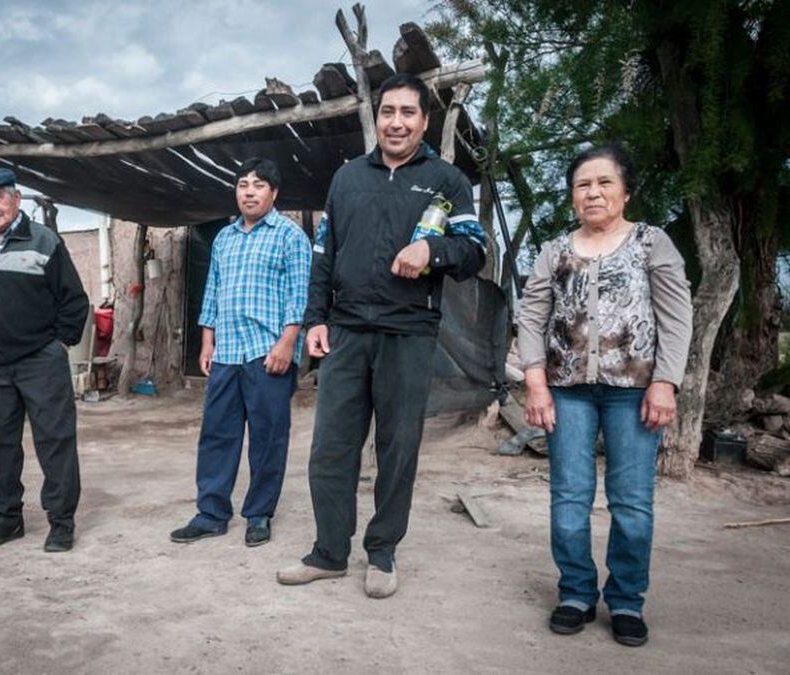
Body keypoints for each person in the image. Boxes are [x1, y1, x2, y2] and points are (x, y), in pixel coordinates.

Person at [276, 74, 486, 598]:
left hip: (408, 333)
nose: (396, 122)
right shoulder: (347, 178)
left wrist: (432, 253)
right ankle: (328, 553)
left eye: (407, 113)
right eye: (388, 111)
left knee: (397, 447)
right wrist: (316, 318)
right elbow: (324, 253)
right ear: (378, 117)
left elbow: (475, 250)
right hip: (346, 331)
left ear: (423, 121)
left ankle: (383, 552)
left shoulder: (446, 180)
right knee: (330, 448)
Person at [517, 144, 693, 646]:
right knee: (569, 498)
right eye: (582, 185)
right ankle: (575, 592)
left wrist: (666, 381)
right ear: (573, 196)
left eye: (604, 183)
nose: (592, 193)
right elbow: (531, 319)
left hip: (633, 393)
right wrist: (535, 382)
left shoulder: (650, 242)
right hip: (566, 392)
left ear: (625, 191)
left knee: (632, 503)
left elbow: (676, 317)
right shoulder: (554, 251)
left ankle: (626, 600)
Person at [169, 158, 311, 547]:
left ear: (274, 193)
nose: (249, 191)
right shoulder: (225, 238)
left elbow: (300, 294)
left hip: (268, 352)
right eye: (243, 184)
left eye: (259, 185)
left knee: (267, 437)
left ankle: (259, 514)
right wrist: (207, 339)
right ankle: (211, 513)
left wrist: (287, 342)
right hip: (227, 351)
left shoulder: (289, 235)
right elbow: (212, 290)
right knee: (216, 434)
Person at [0, 167, 89, 553]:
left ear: (15, 199)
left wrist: (58, 345)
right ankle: (6, 519)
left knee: (55, 441)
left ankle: (61, 523)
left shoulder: (44, 240)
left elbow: (74, 301)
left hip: (39, 361)